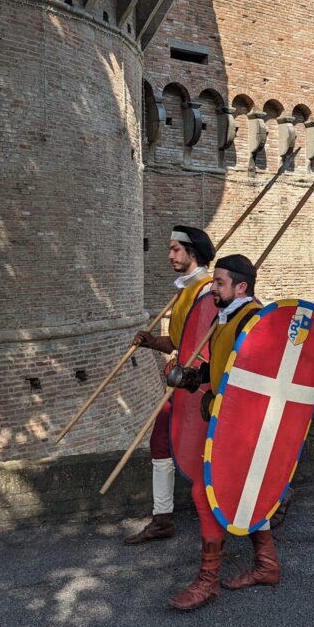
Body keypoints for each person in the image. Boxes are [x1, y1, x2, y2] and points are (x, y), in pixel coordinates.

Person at [166, 254, 274, 611]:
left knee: (204, 490)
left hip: (243, 427)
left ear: (241, 287)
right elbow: (222, 366)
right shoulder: (228, 317)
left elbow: (258, 379)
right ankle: (267, 564)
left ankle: (208, 580)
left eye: (219, 283)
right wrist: (196, 377)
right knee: (247, 491)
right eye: (213, 282)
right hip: (227, 420)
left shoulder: (255, 321)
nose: (212, 287)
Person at [124, 225, 216, 544]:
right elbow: (179, 341)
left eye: (176, 249)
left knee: (215, 450)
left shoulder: (207, 291)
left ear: (193, 253)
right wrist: (151, 342)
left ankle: (272, 496)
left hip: (201, 386)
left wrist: (191, 375)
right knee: (161, 443)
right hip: (180, 381)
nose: (170, 255)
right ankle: (162, 519)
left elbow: (209, 347)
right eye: (170, 248)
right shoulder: (186, 291)